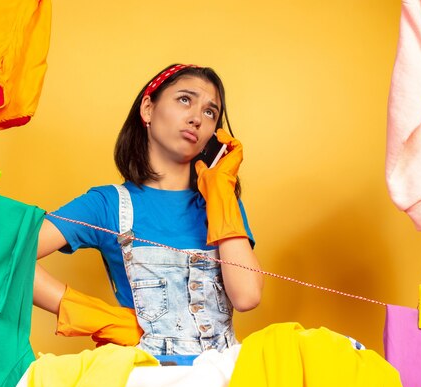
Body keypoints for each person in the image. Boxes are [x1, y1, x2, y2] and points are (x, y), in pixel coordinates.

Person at [33, 64, 263, 355]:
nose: (196, 119)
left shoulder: (221, 203)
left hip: (221, 384)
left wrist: (221, 193)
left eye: (210, 112)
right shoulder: (107, 205)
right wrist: (96, 317)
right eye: (184, 100)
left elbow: (247, 296)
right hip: (148, 383)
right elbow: (11, 256)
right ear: (148, 109)